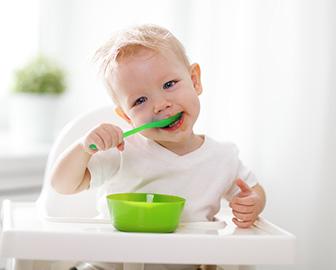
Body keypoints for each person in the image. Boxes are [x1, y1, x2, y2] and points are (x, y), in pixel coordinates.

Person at [50, 24, 266, 269]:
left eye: (169, 84)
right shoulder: (123, 150)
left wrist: (253, 203)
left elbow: (253, 191)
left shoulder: (223, 157)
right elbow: (62, 184)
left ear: (194, 80)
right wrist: (83, 148)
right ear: (125, 116)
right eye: (140, 100)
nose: (161, 105)